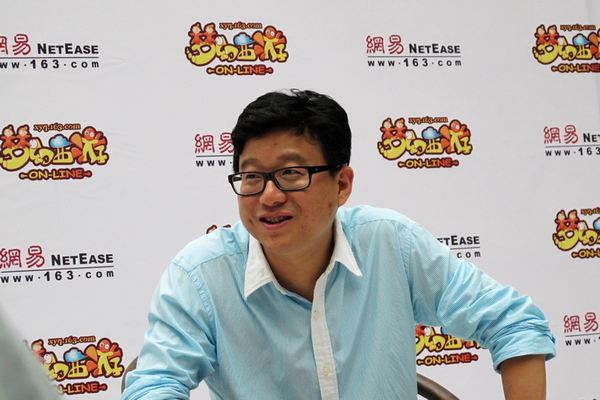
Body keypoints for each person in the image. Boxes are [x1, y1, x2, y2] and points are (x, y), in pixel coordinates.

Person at [122, 89, 555, 400]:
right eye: (252, 177)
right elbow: (156, 384)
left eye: (291, 174)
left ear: (342, 184)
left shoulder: (391, 243)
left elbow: (514, 323)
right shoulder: (200, 275)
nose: (268, 196)